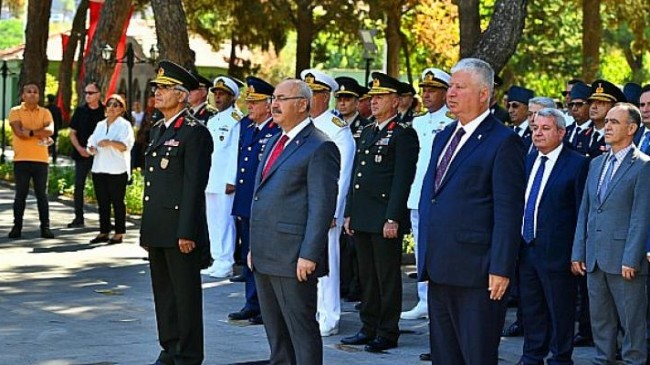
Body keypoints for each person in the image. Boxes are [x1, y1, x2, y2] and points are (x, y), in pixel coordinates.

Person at [418, 58, 526, 364]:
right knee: (444, 355)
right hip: (440, 267)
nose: (450, 93)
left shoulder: (504, 142)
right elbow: (434, 196)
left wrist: (501, 268)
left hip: (478, 273)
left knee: (476, 355)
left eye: (459, 87)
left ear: (483, 94)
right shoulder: (444, 136)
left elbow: (508, 210)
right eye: (450, 86)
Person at [249, 79, 340, 365]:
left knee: (300, 331)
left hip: (293, 258)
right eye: (273, 98)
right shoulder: (276, 140)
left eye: (282, 99)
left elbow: (321, 207)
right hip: (266, 253)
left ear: (302, 104)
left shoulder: (320, 146)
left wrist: (309, 254)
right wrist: (254, 247)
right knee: (276, 333)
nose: (274, 104)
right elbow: (262, 196)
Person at [140, 60, 212, 365]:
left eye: (165, 88)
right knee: (164, 294)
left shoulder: (194, 133)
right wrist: (146, 230)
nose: (158, 93)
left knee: (185, 296)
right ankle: (169, 346)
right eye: (156, 87)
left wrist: (186, 231)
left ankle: (189, 353)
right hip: (158, 225)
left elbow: (193, 187)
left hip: (179, 229)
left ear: (182, 95)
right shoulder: (159, 128)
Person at [341, 72, 419, 352]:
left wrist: (393, 218)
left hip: (384, 217)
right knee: (367, 275)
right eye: (372, 97)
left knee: (386, 276)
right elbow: (356, 176)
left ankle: (387, 331)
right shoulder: (369, 130)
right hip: (363, 215)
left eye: (381, 97)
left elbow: (401, 180)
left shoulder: (403, 134)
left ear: (396, 101)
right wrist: (350, 212)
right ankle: (368, 326)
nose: (374, 102)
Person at [571, 103, 650, 365]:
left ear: (631, 128)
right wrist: (578, 252)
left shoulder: (643, 166)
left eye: (615, 122)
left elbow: (641, 217)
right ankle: (602, 360)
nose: (607, 126)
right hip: (594, 258)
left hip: (624, 260)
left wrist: (632, 258)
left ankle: (634, 362)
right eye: (608, 121)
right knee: (601, 321)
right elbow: (586, 211)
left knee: (632, 323)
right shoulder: (595, 164)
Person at [516, 108, 589, 365]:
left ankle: (560, 357)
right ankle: (532, 356)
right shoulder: (527, 159)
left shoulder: (577, 163)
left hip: (559, 252)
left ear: (561, 132)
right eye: (535, 128)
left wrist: (577, 252)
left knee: (560, 309)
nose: (538, 133)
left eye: (545, 129)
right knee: (531, 307)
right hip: (527, 247)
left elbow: (582, 211)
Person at [300, 68, 355, 337]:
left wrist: (333, 210)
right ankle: (313, 311)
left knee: (327, 262)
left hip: (326, 208)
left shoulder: (336, 129)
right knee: (308, 260)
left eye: (314, 94)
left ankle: (330, 316)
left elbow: (343, 174)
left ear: (326, 97)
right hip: (304, 205)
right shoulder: (306, 124)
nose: (309, 99)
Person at [228, 76, 280, 326]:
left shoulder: (276, 130)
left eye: (255, 102)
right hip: (246, 201)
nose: (250, 106)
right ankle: (252, 303)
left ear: (268, 104)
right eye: (248, 101)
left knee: (263, 257)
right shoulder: (247, 128)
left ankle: (266, 307)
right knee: (249, 255)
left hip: (264, 206)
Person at [402, 67, 453, 323]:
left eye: (432, 90)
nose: (426, 95)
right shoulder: (418, 121)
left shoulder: (453, 121)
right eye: (424, 90)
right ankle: (423, 299)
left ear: (445, 93)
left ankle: (438, 302)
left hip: (439, 196)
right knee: (422, 251)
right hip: (417, 194)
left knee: (439, 251)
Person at [203, 75, 243, 278]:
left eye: (222, 94)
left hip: (224, 179)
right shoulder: (213, 119)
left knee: (225, 222)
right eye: (216, 94)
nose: (218, 98)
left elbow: (235, 150)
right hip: (210, 177)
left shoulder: (236, 120)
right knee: (213, 220)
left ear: (233, 97)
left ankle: (226, 261)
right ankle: (216, 258)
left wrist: (231, 179)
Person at [7, 83, 55, 239]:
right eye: (29, 91)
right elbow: (19, 132)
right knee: (21, 194)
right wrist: (40, 133)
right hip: (21, 159)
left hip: (41, 160)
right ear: (23, 95)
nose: (32, 94)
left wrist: (32, 131)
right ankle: (17, 227)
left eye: (35, 92)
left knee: (42, 195)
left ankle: (45, 227)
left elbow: (50, 130)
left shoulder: (45, 112)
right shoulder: (15, 112)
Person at [85, 94, 134, 244]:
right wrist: (91, 148)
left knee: (118, 202)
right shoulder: (100, 124)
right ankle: (103, 231)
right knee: (102, 202)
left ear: (121, 109)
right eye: (109, 105)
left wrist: (110, 142)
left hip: (117, 170)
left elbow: (126, 146)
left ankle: (119, 233)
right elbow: (91, 141)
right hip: (99, 168)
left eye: (115, 105)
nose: (111, 108)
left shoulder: (124, 125)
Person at [68, 82, 106, 228]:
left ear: (98, 94)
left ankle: (105, 219)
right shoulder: (80, 111)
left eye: (91, 93)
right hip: (82, 155)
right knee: (79, 186)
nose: (87, 96)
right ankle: (78, 217)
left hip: (100, 156)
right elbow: (72, 133)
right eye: (86, 93)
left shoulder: (105, 111)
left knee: (102, 188)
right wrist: (79, 149)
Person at [585, 80, 626, 159]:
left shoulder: (619, 137)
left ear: (613, 107)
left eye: (600, 102)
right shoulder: (582, 134)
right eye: (592, 102)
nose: (594, 107)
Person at [507, 85, 535, 150]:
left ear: (528, 108)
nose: (510, 110)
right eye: (508, 106)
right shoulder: (505, 131)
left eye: (515, 106)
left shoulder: (534, 132)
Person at [45, 94, 62, 164]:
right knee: (54, 145)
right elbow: (60, 120)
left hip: (46, 129)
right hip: (55, 129)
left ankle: (45, 158)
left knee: (46, 144)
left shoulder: (45, 109)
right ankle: (54, 159)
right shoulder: (57, 109)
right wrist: (59, 127)